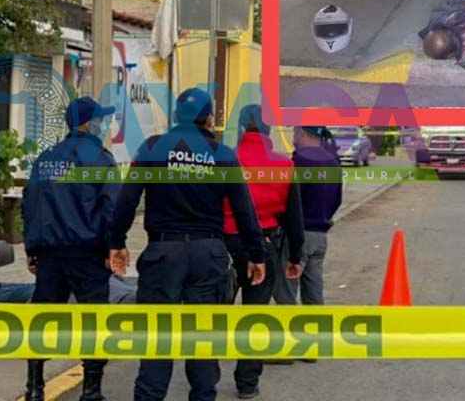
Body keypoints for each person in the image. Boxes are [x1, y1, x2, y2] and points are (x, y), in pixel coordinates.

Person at [109, 88, 266, 401]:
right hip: (207, 254)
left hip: (163, 254)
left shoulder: (153, 147)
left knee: (157, 337)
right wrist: (256, 255)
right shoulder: (221, 154)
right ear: (208, 118)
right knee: (203, 338)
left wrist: (116, 242)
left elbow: (126, 199)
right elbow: (244, 210)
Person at [20, 97, 118, 401]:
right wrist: (113, 246)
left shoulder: (46, 159)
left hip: (51, 256)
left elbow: (30, 205)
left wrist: (33, 249)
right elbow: (111, 208)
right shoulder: (101, 159)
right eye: (100, 119)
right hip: (88, 254)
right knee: (94, 321)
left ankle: (34, 387)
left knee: (43, 321)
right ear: (88, 123)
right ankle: (91, 390)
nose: (104, 125)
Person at [222, 105, 305, 399]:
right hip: (265, 247)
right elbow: (295, 219)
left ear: (242, 128)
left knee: (215, 315)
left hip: (225, 247)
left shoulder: (225, 160)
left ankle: (205, 377)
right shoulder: (283, 165)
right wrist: (295, 257)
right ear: (270, 130)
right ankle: (247, 384)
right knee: (254, 316)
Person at [274, 126, 343, 311]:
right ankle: (316, 334)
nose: (293, 137)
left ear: (302, 133)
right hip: (320, 235)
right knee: (314, 295)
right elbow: (337, 200)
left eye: (294, 132)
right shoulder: (333, 162)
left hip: (297, 235)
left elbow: (287, 200)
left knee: (285, 294)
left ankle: (289, 335)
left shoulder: (299, 161)